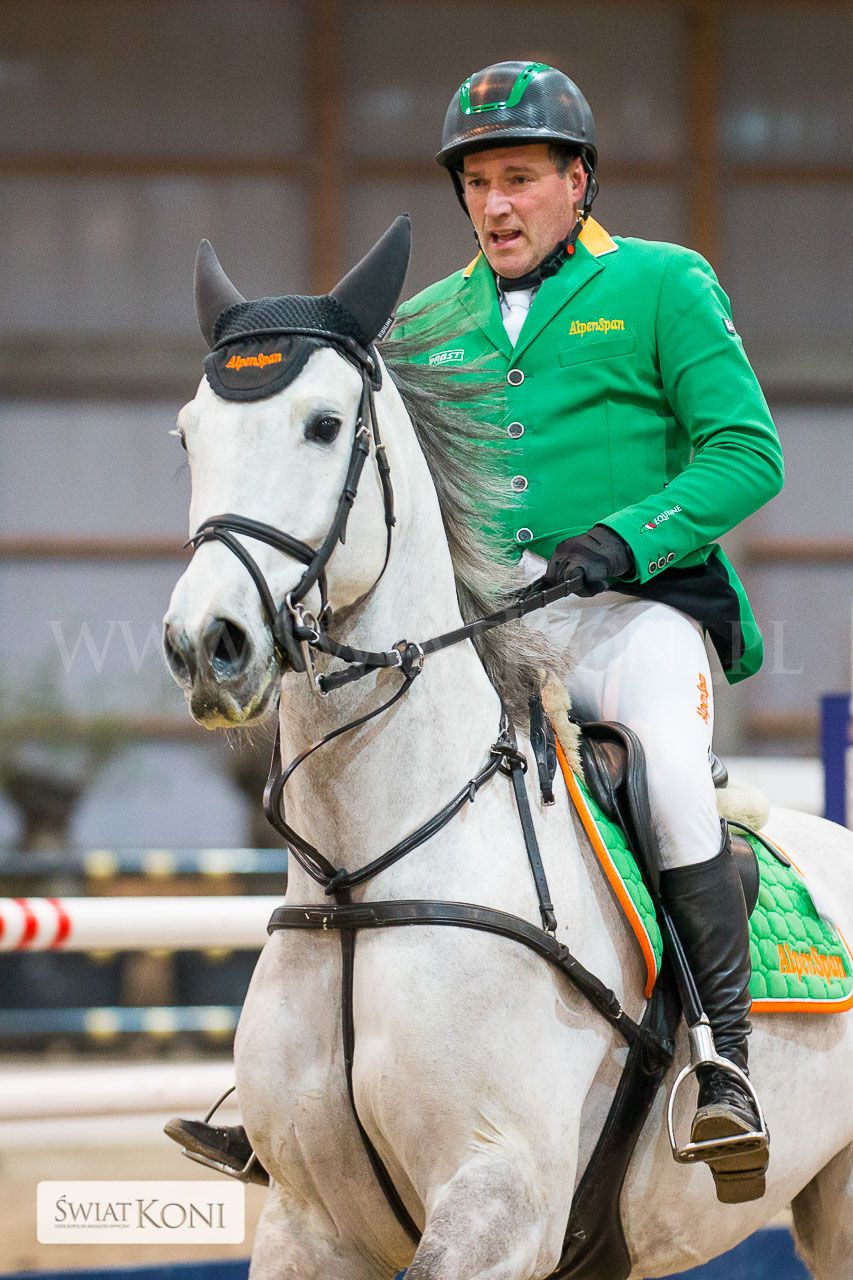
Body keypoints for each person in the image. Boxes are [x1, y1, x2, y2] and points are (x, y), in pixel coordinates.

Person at [167, 60, 783, 1205]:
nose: (495, 206)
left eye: (519, 179)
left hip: (629, 609)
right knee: (341, 767)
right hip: (480, 626)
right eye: (477, 184)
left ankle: (723, 1058)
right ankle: (291, 1089)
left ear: (577, 181)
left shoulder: (662, 284)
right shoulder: (425, 323)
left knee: (662, 766)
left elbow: (748, 452)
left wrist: (625, 538)